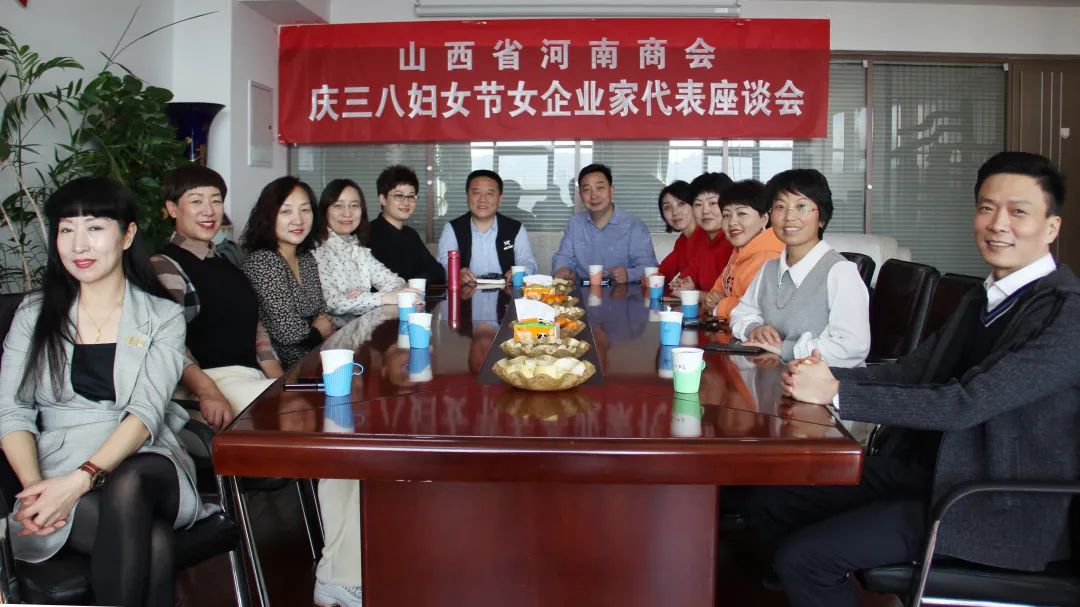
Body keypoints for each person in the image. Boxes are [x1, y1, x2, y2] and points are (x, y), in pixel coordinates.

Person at [750, 151, 1080, 607]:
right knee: (770, 499)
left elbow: (967, 403)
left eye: (1018, 212)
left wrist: (839, 393)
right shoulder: (983, 297)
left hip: (992, 502)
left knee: (805, 559)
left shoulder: (1066, 313)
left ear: (1051, 227)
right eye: (987, 208)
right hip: (933, 474)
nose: (998, 224)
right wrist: (820, 375)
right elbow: (914, 371)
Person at [0, 177, 204, 607]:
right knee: (153, 544)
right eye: (66, 230)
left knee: (130, 480)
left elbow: (146, 413)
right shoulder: (33, 314)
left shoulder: (162, 316)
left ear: (127, 235)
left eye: (94, 228)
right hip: (58, 463)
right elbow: (12, 411)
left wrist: (79, 482)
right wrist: (38, 491)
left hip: (147, 457)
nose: (79, 245)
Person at [151, 166, 281, 429]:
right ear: (173, 209)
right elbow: (167, 343)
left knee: (311, 401)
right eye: (196, 201)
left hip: (250, 379)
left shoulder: (225, 262)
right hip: (208, 384)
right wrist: (208, 391)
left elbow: (255, 326)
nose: (208, 211)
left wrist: (280, 380)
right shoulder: (165, 265)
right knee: (300, 411)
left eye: (216, 201)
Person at [728, 169, 870, 366]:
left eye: (802, 206)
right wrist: (754, 329)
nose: (789, 217)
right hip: (775, 375)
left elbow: (852, 347)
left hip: (825, 381)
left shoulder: (841, 272)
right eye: (780, 206)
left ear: (822, 218)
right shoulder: (769, 269)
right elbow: (740, 314)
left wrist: (787, 349)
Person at [242, 176, 334, 369]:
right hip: (284, 368)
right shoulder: (264, 261)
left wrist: (318, 330)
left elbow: (322, 313)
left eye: (305, 210)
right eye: (286, 211)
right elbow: (288, 332)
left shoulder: (305, 258)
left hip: (317, 357)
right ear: (269, 216)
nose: (298, 220)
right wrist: (317, 332)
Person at [313, 178, 420, 317]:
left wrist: (364, 298)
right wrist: (382, 297)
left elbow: (397, 282)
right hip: (338, 330)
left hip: (364, 326)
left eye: (354, 205)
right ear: (324, 210)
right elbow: (332, 303)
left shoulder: (356, 246)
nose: (347, 213)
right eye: (338, 206)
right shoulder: (317, 250)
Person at [551, 164, 658, 284]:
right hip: (583, 292)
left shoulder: (634, 226)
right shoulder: (575, 223)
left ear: (611, 191)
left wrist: (628, 274)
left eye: (600, 188)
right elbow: (564, 256)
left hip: (623, 292)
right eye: (587, 190)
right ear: (580, 195)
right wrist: (561, 269)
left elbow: (649, 266)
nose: (593, 195)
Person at [436, 169, 538, 284]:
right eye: (476, 193)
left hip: (506, 292)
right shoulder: (452, 228)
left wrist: (521, 272)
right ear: (467, 196)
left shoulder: (516, 228)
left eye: (489, 194)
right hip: (466, 292)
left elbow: (527, 261)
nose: (482, 199)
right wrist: (456, 273)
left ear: (500, 199)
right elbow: (444, 262)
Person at [703, 179, 784, 320]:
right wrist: (713, 303)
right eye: (726, 215)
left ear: (764, 219)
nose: (732, 222)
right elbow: (714, 294)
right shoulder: (739, 251)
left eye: (741, 214)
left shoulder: (769, 258)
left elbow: (756, 311)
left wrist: (721, 305)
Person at [367, 165, 446, 283]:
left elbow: (438, 272)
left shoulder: (410, 234)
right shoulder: (368, 234)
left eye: (411, 196)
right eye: (399, 196)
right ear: (383, 199)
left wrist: (413, 283)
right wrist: (415, 283)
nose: (406, 202)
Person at [671, 172, 735, 294]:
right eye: (698, 204)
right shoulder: (699, 238)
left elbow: (733, 297)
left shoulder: (736, 240)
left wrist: (695, 294)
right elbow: (688, 276)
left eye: (713, 203)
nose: (705, 210)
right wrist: (684, 284)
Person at [651, 180, 696, 286]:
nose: (675, 212)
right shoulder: (682, 241)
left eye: (681, 204)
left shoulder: (708, 238)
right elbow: (663, 272)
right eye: (667, 207)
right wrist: (651, 277)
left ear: (695, 205)